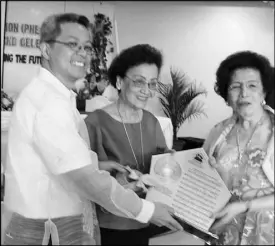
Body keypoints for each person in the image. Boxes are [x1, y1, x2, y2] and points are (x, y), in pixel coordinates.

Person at [2, 13, 182, 245]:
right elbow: (84, 178)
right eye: (72, 45)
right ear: (46, 50)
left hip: (62, 222)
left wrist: (101, 166)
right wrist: (147, 210)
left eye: (87, 47)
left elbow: (69, 164)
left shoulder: (59, 98)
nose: (82, 54)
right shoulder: (48, 103)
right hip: (47, 228)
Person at [84, 44, 175, 245]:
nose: (146, 91)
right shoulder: (95, 123)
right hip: (111, 224)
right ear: (119, 81)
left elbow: (160, 164)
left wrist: (171, 161)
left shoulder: (151, 121)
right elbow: (84, 176)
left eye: (152, 84)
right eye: (139, 82)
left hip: (145, 219)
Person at [203, 51, 274, 245]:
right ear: (226, 94)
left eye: (252, 85)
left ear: (264, 91)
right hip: (224, 232)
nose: (244, 93)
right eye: (235, 86)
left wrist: (245, 206)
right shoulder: (217, 133)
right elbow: (202, 176)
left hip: (266, 233)